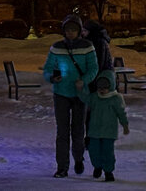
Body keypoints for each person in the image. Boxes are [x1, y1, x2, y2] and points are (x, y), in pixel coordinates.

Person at [42, 14, 98, 178]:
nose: (71, 32)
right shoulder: (56, 47)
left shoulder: (87, 47)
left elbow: (93, 68)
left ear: (79, 30)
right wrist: (52, 77)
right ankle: (62, 167)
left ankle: (78, 158)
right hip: (61, 93)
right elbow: (48, 68)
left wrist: (84, 80)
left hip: (80, 94)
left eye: (74, 29)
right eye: (68, 29)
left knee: (78, 130)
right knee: (62, 131)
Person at [78, 69, 129, 182]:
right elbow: (85, 98)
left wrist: (125, 124)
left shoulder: (116, 98)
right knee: (93, 150)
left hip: (109, 132)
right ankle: (97, 166)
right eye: (99, 87)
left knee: (108, 152)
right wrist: (80, 89)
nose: (102, 90)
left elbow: (121, 113)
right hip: (94, 131)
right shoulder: (94, 97)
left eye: (105, 87)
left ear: (111, 86)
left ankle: (108, 171)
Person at [83, 19, 113, 91]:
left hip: (100, 76)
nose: (83, 33)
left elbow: (100, 61)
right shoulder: (97, 40)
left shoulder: (98, 42)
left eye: (85, 31)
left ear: (91, 31)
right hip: (99, 75)